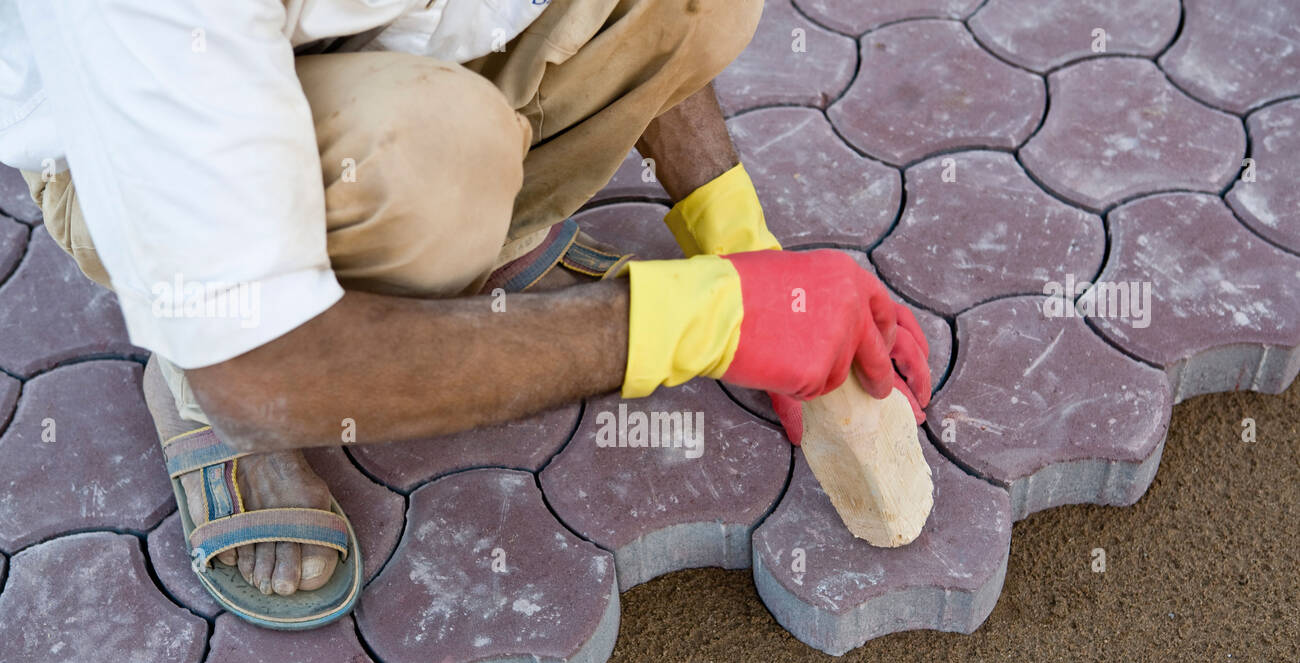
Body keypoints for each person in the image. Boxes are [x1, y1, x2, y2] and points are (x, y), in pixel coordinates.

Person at [0, 0, 931, 627]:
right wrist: (707, 321)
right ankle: (189, 353)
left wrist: (738, 247)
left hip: (374, 40)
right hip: (144, 145)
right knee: (437, 171)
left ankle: (472, 243)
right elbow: (261, 363)